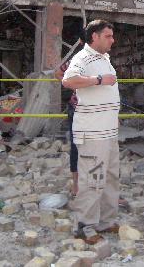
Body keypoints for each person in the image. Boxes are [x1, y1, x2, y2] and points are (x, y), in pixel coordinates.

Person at [62, 20, 120, 244]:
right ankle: (85, 226)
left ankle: (106, 221)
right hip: (93, 134)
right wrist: (98, 80)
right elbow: (68, 80)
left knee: (111, 178)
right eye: (108, 36)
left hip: (108, 132)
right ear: (94, 37)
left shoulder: (104, 58)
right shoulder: (82, 58)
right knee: (93, 179)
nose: (112, 40)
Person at [54, 60, 80, 197]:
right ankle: (76, 185)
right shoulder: (76, 61)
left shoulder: (104, 60)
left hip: (96, 111)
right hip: (77, 109)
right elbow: (58, 73)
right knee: (76, 147)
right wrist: (72, 86)